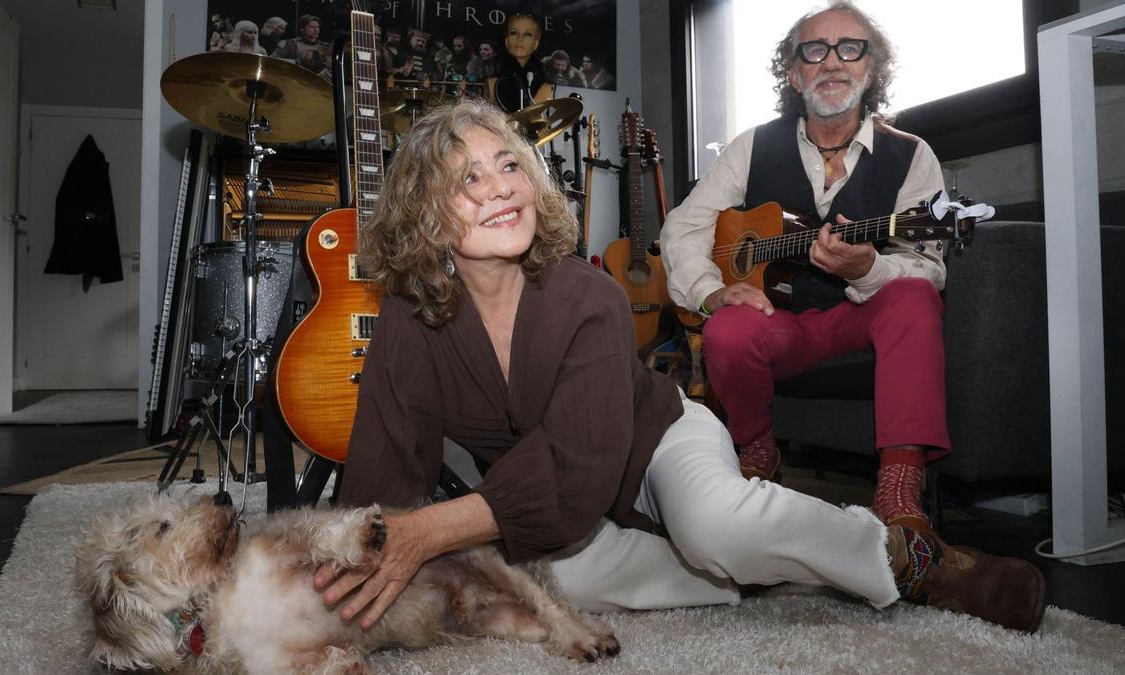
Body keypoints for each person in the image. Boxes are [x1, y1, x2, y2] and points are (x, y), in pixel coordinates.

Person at [311, 98, 1046, 636]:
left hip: (656, 438)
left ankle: (912, 559)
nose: (502, 185)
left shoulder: (588, 293)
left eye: (509, 165)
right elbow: (384, 470)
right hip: (557, 507)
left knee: (714, 522)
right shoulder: (409, 321)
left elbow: (579, 463)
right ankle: (756, 569)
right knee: (529, 578)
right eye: (467, 179)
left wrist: (429, 531)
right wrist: (361, 560)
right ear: (429, 218)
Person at [661, 1, 951, 536]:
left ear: (871, 68)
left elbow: (926, 267)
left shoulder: (913, 155)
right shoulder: (752, 146)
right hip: (784, 324)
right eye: (814, 51)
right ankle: (757, 450)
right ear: (794, 73)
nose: (833, 62)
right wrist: (710, 293)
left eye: (851, 48)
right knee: (727, 326)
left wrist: (865, 270)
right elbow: (685, 226)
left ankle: (899, 491)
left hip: (860, 322)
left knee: (912, 295)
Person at [485, 14, 553, 113]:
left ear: (536, 43)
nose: (520, 39)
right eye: (514, 33)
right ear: (506, 41)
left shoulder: (547, 87)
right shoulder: (492, 83)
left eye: (527, 34)